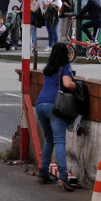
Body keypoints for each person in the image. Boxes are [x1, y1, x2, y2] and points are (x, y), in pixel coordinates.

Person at [34, 42, 76, 192]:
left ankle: (43, 172)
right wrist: (75, 84)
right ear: (66, 54)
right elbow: (67, 83)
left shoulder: (48, 69)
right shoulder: (64, 67)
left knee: (49, 140)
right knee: (59, 141)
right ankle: (63, 176)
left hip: (40, 105)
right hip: (55, 107)